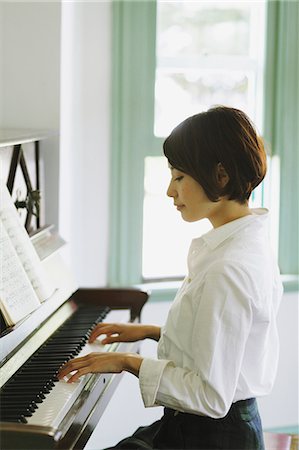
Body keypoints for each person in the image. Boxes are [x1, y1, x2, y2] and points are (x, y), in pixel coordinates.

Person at [58, 106, 283, 449]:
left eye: (179, 177)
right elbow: (220, 342)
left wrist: (126, 361)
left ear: (220, 176)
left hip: (213, 437)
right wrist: (149, 332)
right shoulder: (241, 242)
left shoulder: (229, 268)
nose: (169, 191)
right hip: (199, 428)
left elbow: (210, 397)